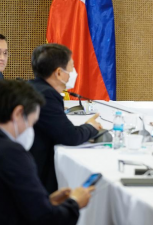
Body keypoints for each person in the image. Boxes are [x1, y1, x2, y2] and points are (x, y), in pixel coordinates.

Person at [0, 80, 95, 225]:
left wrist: (47, 202)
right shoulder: (11, 154)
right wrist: (74, 203)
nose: (31, 129)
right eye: (31, 122)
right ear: (18, 113)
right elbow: (47, 220)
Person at [29, 43, 102, 193]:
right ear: (59, 73)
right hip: (35, 174)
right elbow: (70, 137)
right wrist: (91, 127)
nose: (73, 72)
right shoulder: (47, 95)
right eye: (71, 67)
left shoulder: (34, 87)